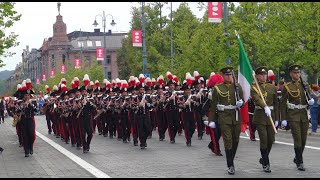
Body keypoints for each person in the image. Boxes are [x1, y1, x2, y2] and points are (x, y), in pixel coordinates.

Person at [208, 66, 244, 175]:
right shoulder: (218, 88)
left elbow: (241, 101)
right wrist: (212, 120)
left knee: (236, 140)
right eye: (227, 75)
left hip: (236, 116)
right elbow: (213, 105)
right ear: (223, 76)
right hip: (223, 117)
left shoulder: (237, 87)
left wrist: (240, 104)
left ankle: (231, 159)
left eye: (230, 75)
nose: (229, 77)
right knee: (228, 140)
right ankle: (230, 165)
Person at [280, 64, 314, 171]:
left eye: (298, 72)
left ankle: (297, 157)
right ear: (291, 74)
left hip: (303, 114)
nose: (297, 74)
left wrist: (310, 102)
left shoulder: (305, 85)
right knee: (298, 139)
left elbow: (308, 98)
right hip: (293, 114)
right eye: (295, 73)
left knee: (303, 139)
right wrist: (284, 118)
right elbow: (282, 103)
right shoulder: (287, 86)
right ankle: (300, 162)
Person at [251, 66, 279, 173]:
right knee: (263, 139)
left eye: (265, 74)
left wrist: (277, 118)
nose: (264, 76)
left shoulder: (272, 87)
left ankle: (263, 158)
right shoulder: (254, 87)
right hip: (260, 116)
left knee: (270, 140)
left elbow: (276, 104)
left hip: (270, 116)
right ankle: (266, 164)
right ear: (257, 76)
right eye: (262, 75)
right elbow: (257, 99)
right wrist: (264, 106)